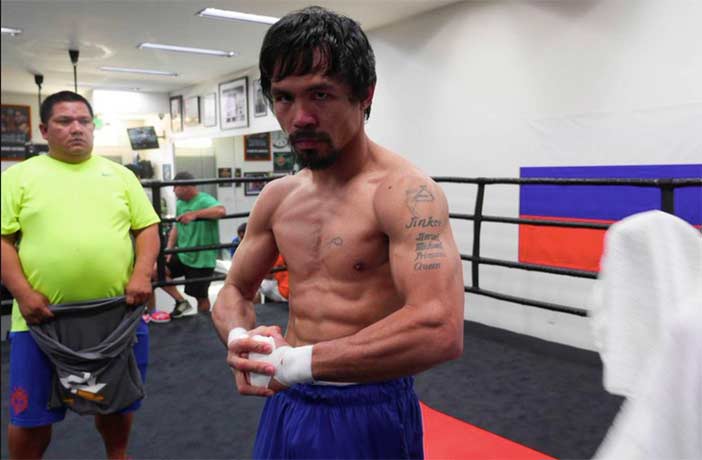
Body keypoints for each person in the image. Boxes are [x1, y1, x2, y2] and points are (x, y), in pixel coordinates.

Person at [212, 6, 464, 459]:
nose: (300, 117)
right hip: (288, 399)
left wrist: (293, 362)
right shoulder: (278, 197)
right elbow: (233, 290)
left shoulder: (405, 194)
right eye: (284, 98)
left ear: (365, 94)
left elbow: (439, 327)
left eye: (320, 95)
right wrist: (240, 341)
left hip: (366, 405)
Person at [0, 90, 160, 459]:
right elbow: (3, 239)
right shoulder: (18, 177)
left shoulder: (120, 175)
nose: (77, 128)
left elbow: (147, 227)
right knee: (30, 416)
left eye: (84, 121)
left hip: (118, 314)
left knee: (117, 402)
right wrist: (23, 293)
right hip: (41, 318)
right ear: (44, 130)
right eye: (64, 121)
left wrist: (142, 274)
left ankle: (117, 456)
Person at [153, 171, 226, 316]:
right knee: (155, 271)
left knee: (201, 297)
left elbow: (221, 211)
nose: (173, 191)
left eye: (175, 187)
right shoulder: (180, 203)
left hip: (201, 259)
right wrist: (169, 249)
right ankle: (181, 302)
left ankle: (203, 321)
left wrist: (195, 214)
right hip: (183, 254)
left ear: (184, 187)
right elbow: (176, 227)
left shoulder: (204, 200)